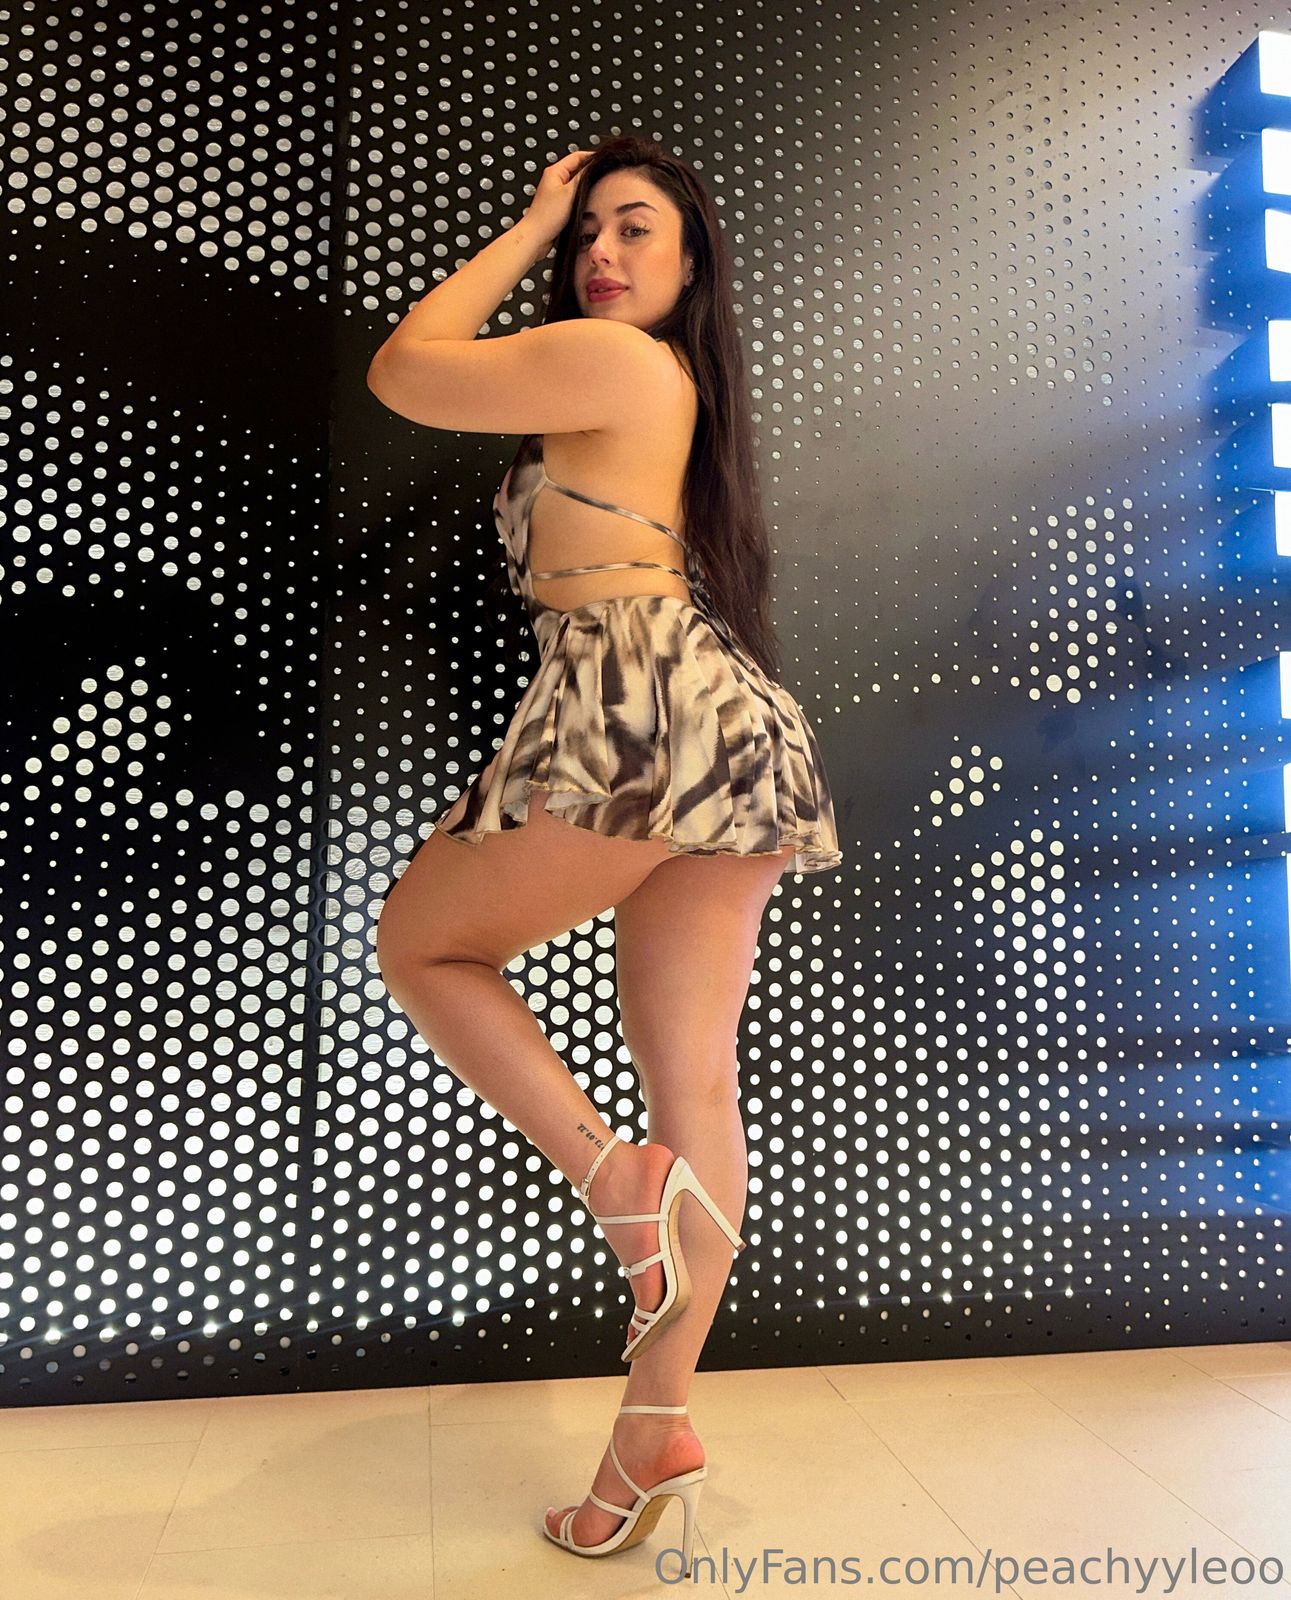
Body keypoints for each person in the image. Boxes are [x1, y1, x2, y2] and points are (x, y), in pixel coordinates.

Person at [367, 134, 843, 1578]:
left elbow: (405, 368)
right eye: (586, 236)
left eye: (635, 229)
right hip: (727, 722)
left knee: (425, 945)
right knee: (694, 1082)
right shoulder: (659, 383)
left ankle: (611, 1181)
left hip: (639, 701)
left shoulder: (615, 361)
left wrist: (525, 225)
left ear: (693, 265)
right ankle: (653, 1428)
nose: (599, 255)